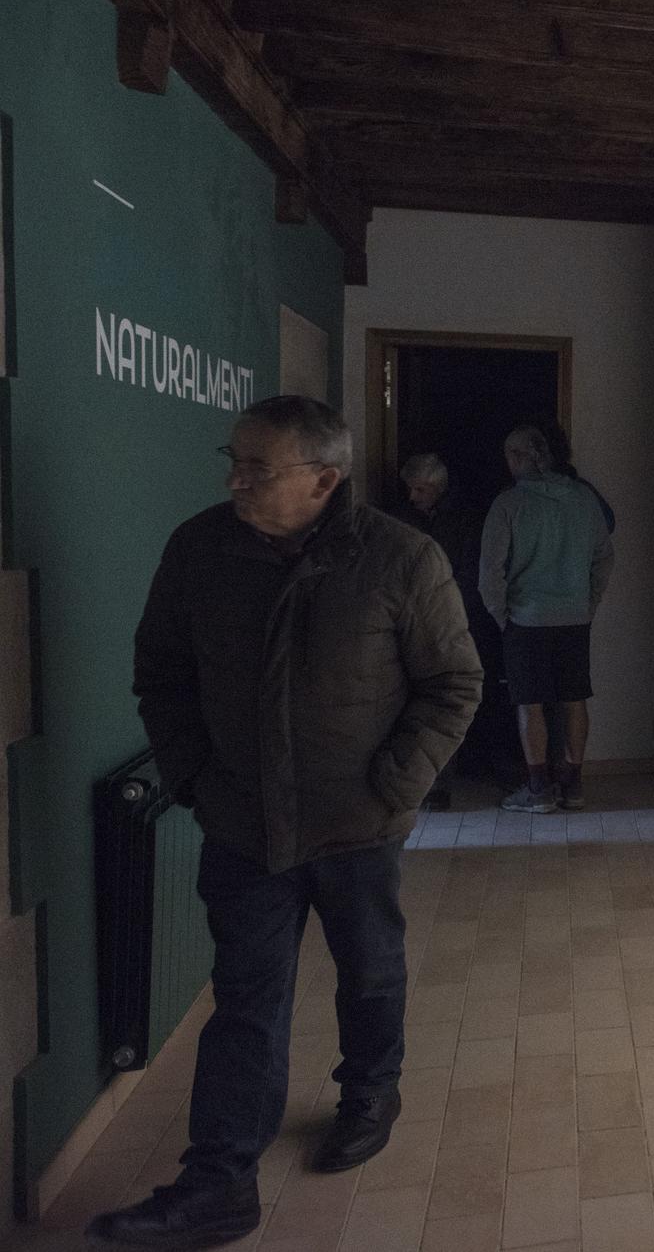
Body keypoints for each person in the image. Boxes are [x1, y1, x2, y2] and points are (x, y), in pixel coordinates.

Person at [93, 397, 482, 1250]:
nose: (235, 479)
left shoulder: (400, 557)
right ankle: (219, 1181)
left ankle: (370, 1091)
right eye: (232, 460)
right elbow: (162, 674)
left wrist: (395, 784)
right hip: (243, 824)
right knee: (246, 998)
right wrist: (195, 777)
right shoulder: (199, 550)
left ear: (323, 479)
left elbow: (453, 683)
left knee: (370, 970)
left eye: (256, 467)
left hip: (359, 823)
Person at [481, 424, 613, 813]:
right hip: (574, 616)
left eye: (511, 453)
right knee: (575, 698)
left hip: (526, 619)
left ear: (521, 458)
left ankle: (538, 787)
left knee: (530, 703)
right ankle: (573, 785)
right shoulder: (583, 499)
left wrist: (502, 615)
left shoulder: (508, 504)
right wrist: (588, 603)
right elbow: (604, 557)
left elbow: (490, 571)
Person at [394, 452, 488, 806]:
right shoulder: (402, 519)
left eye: (420, 489)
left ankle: (442, 780)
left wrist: (453, 612)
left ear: (438, 487)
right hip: (410, 622)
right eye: (410, 488)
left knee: (448, 700)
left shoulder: (465, 520)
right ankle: (419, 781)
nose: (412, 496)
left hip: (453, 620)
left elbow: (471, 572)